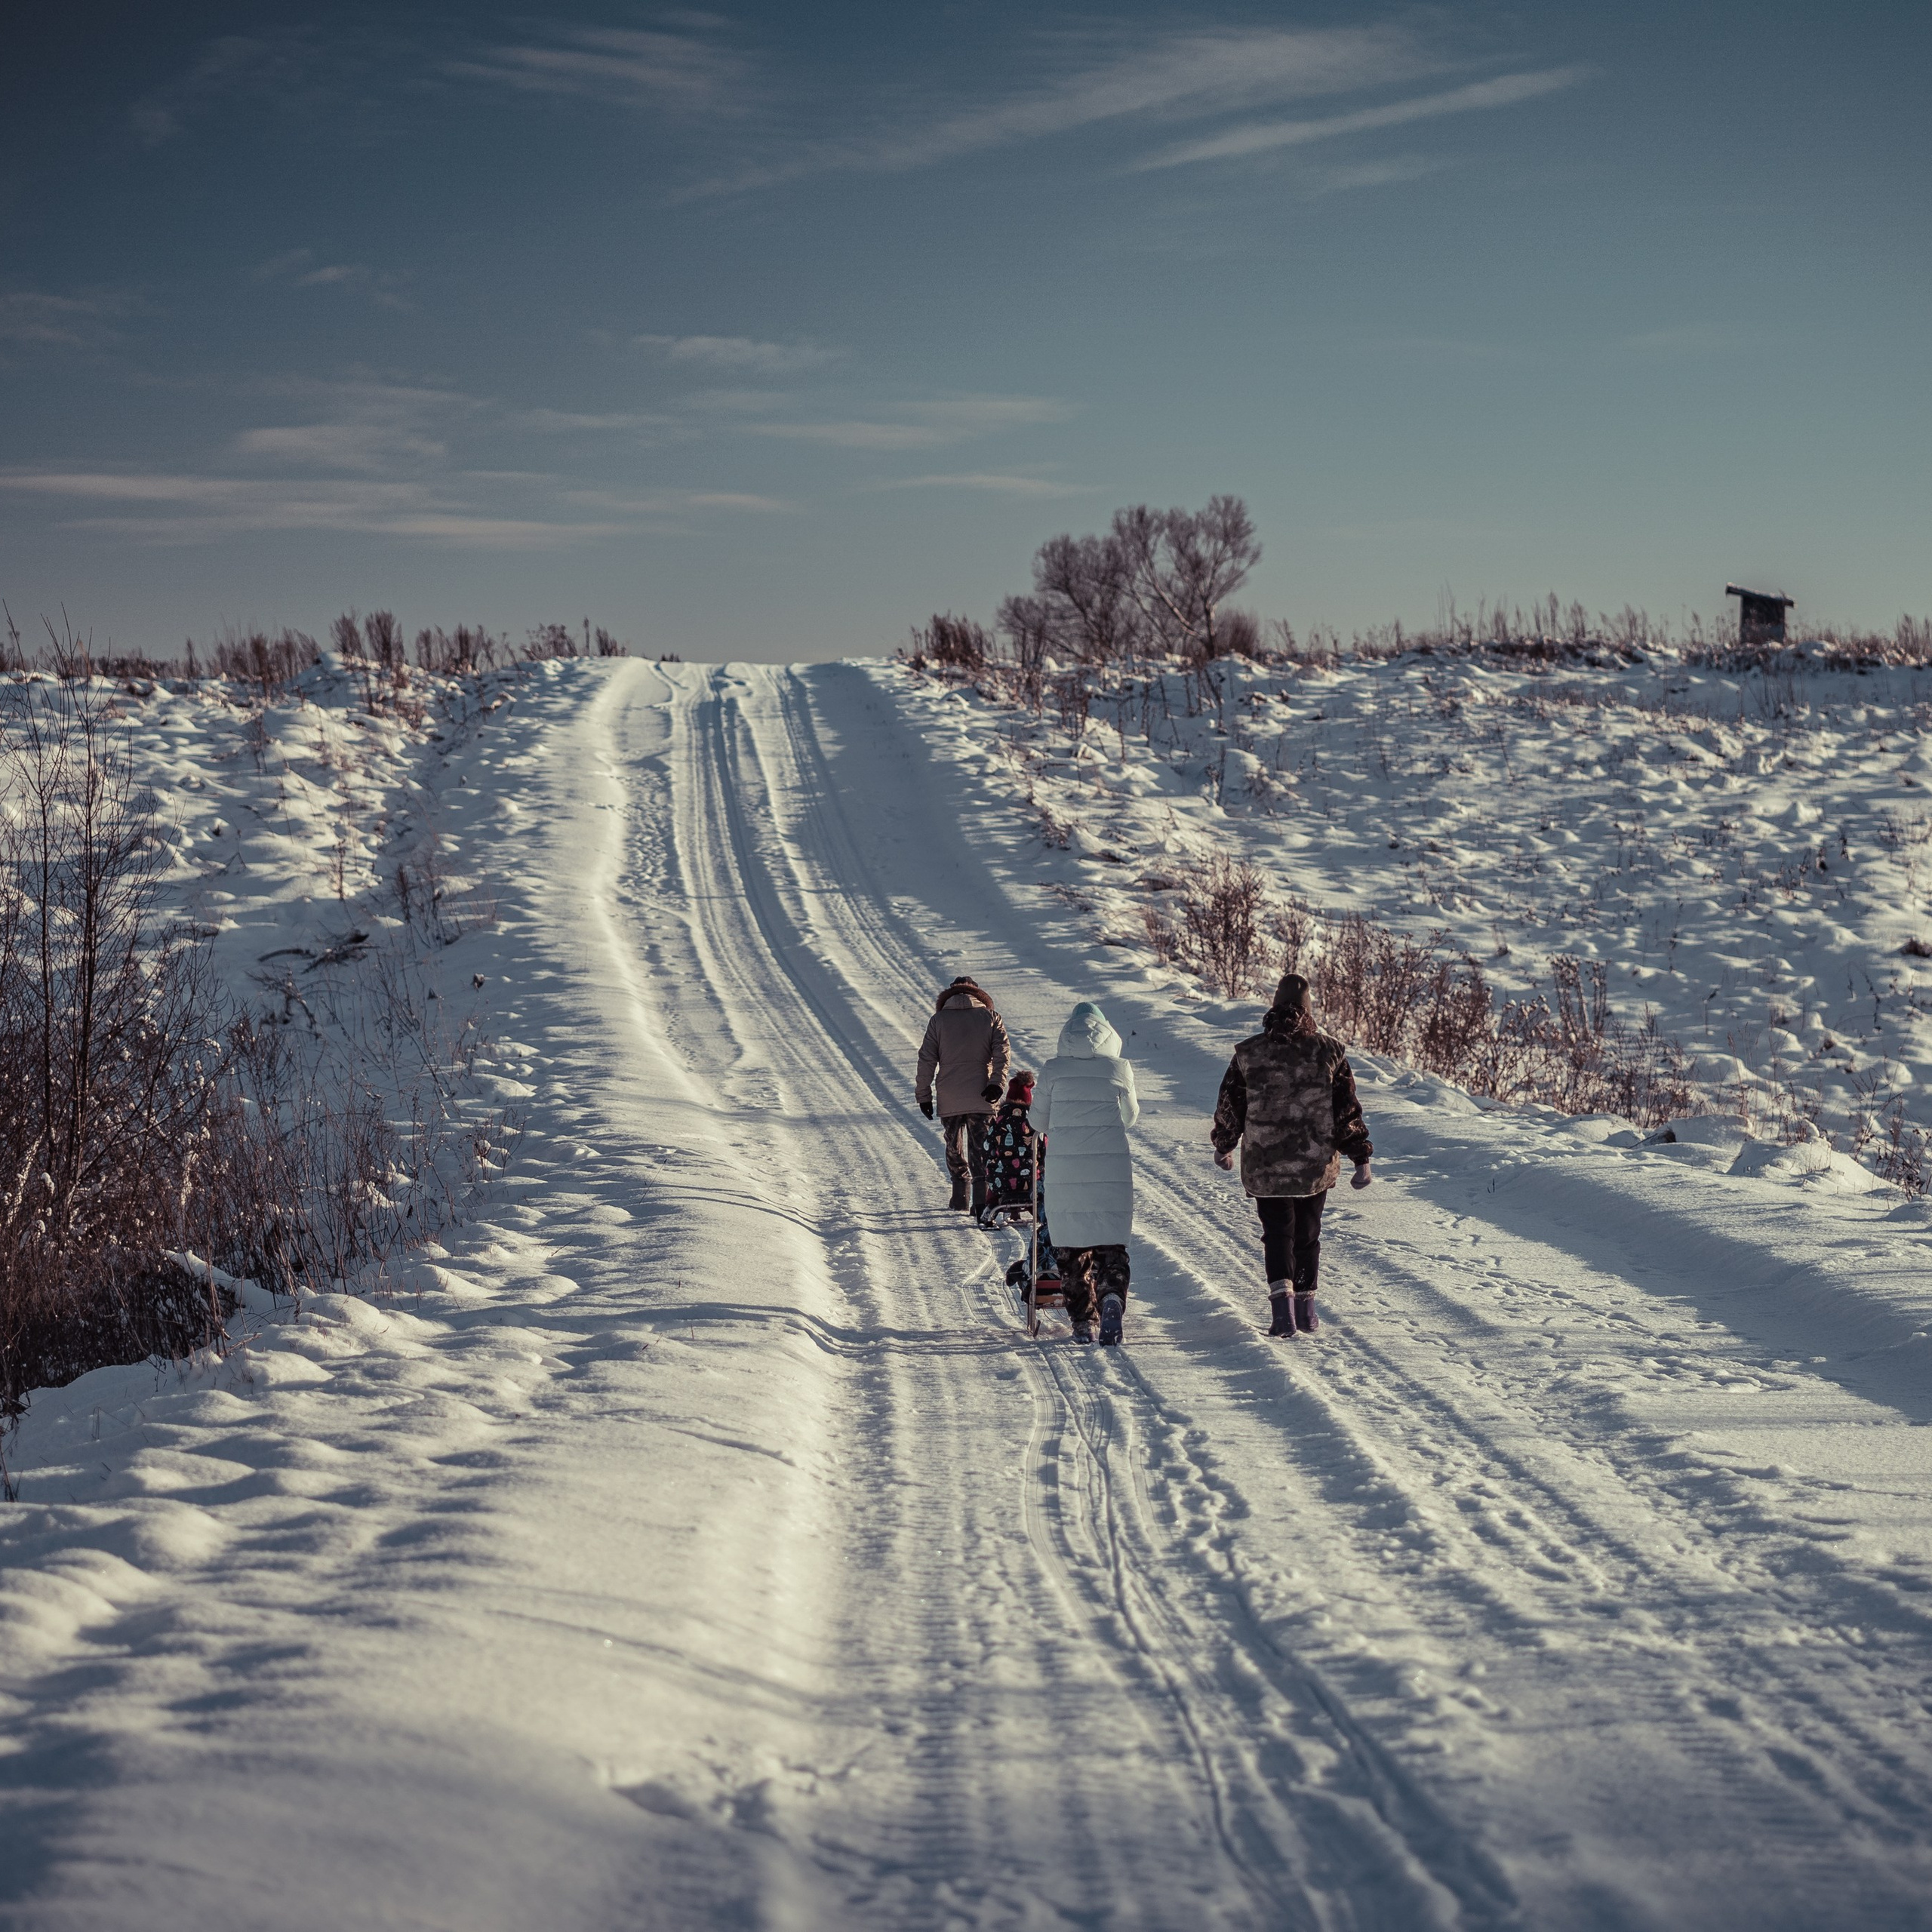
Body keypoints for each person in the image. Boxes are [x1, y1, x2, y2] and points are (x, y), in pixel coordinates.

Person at [1211, 972, 1373, 1338]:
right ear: (1309, 1009)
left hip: (1265, 1166)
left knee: (1277, 1234)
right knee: (1308, 1235)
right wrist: (1360, 1157)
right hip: (1314, 1166)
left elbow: (1230, 1106)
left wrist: (1224, 1145)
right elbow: (1346, 1112)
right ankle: (1306, 1311)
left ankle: (1283, 1314)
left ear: (1274, 1006)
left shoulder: (1249, 1053)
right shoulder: (1330, 1052)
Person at [1035, 1001, 1138, 1345]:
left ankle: (1082, 1322)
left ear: (1067, 1033)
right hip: (1111, 1169)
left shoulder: (1052, 1070)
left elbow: (1037, 1121)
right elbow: (1130, 1117)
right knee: (1112, 1247)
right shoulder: (1119, 1068)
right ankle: (1111, 1299)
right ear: (1108, 1032)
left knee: (1071, 1250)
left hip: (1065, 1170)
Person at [915, 975, 1011, 1214]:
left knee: (953, 1145)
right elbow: (1002, 1053)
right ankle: (980, 1202)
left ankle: (960, 1197)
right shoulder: (991, 1017)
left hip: (949, 1093)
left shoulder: (938, 1020)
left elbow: (927, 1059)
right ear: (977, 994)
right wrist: (997, 1084)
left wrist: (924, 1095)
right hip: (983, 1093)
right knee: (982, 1148)